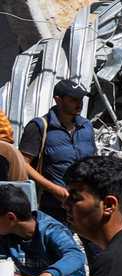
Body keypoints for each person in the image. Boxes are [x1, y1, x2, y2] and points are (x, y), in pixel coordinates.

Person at [18, 80, 96, 224]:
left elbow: (94, 162)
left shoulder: (86, 126)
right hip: (53, 206)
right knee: (59, 245)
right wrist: (54, 189)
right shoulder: (40, 127)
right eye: (73, 99)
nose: (79, 103)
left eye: (81, 99)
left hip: (85, 202)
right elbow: (23, 164)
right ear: (58, 100)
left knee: (99, 246)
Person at [0, 184, 87, 276]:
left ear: (11, 218)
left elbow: (76, 255)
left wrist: (48, 275)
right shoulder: (6, 234)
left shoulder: (51, 230)